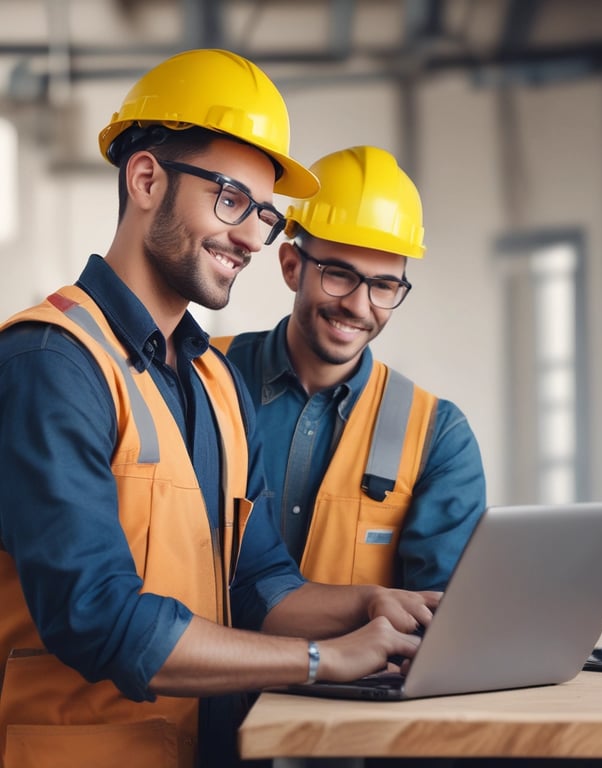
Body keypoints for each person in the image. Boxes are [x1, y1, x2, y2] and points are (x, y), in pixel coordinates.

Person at [0, 50, 439, 768]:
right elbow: (97, 617)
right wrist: (322, 658)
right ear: (145, 178)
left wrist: (369, 608)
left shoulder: (214, 380)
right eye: (231, 200)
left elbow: (258, 582)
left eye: (263, 215)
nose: (250, 239)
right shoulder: (52, 364)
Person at [214, 145, 486, 592]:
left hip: (366, 666)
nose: (358, 307)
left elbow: (442, 621)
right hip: (209, 661)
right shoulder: (199, 374)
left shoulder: (437, 437)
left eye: (383, 286)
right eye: (338, 275)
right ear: (290, 266)